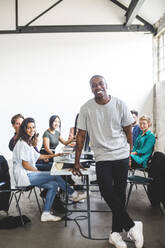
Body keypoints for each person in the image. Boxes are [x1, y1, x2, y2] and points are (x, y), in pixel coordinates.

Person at [72, 75, 144, 248]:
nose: (98, 87)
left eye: (100, 84)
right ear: (91, 88)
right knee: (106, 191)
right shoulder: (86, 108)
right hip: (102, 156)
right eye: (94, 85)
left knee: (119, 194)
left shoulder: (120, 104)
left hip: (120, 155)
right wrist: (76, 161)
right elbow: (81, 135)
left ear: (106, 85)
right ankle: (133, 225)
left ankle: (115, 233)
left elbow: (128, 131)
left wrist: (128, 154)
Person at [12, 118, 87, 222]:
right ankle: (73, 194)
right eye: (28, 128)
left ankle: (46, 214)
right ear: (24, 129)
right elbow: (25, 165)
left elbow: (39, 156)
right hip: (24, 176)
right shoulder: (22, 144)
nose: (31, 130)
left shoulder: (28, 142)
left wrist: (56, 154)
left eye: (33, 127)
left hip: (29, 174)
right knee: (54, 175)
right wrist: (38, 172)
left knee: (53, 185)